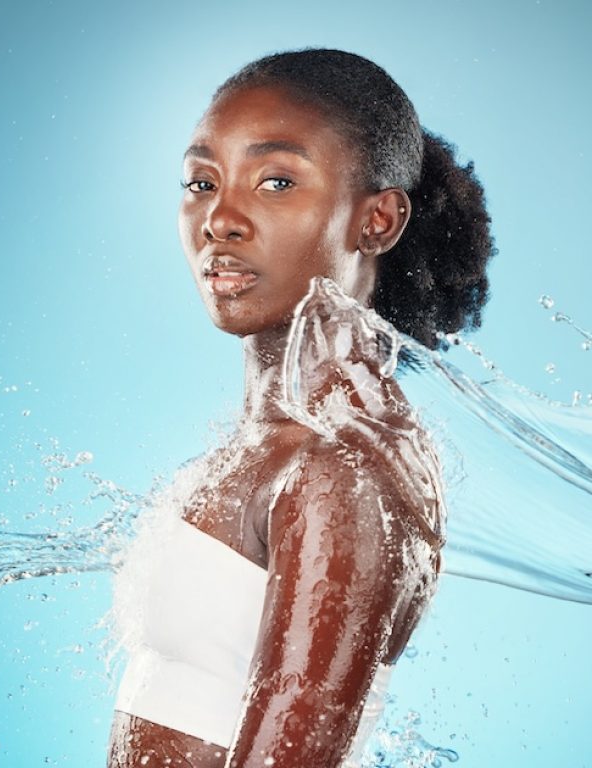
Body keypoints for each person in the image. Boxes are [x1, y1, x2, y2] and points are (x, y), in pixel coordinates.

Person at [106, 48, 495, 768]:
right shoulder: (276, 441)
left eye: (276, 181)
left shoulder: (338, 467)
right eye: (201, 182)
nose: (220, 217)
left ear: (377, 220)